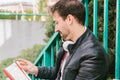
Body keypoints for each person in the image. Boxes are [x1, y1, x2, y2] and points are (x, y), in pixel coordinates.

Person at [18, 0, 108, 80]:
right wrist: (35, 69)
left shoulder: (93, 55)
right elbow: (61, 73)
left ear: (69, 19)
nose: (55, 29)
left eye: (57, 22)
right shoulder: (68, 42)